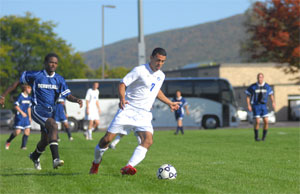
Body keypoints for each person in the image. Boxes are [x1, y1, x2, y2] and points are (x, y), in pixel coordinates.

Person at [89, 47, 180, 175]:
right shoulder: (139, 70)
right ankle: (96, 163)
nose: (160, 64)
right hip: (128, 109)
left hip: (144, 114)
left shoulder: (161, 75)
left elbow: (156, 91)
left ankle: (128, 166)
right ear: (151, 58)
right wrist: (122, 98)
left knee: (148, 140)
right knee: (106, 140)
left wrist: (169, 102)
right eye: (158, 60)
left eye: (163, 61)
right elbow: (122, 83)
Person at [0, 53, 83, 170]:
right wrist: (3, 95)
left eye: (55, 63)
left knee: (45, 140)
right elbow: (17, 83)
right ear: (45, 63)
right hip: (37, 109)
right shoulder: (35, 75)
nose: (53, 64)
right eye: (51, 62)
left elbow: (67, 95)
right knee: (53, 126)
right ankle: (56, 159)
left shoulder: (59, 79)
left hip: (50, 112)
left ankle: (34, 156)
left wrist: (76, 100)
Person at [245, 73, 276, 141]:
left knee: (266, 121)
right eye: (259, 77)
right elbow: (247, 95)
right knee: (257, 121)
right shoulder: (253, 86)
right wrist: (249, 105)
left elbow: (271, 94)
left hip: (263, 105)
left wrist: (273, 102)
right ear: (257, 78)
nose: (260, 79)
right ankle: (256, 137)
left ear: (263, 78)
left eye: (261, 77)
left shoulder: (267, 86)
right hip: (256, 105)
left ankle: (263, 137)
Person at [5, 84, 32, 150]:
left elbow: (29, 107)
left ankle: (23, 146)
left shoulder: (29, 97)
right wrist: (22, 113)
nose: (30, 90)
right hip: (19, 116)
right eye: (29, 88)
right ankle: (8, 141)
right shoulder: (20, 96)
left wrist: (30, 117)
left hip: (26, 117)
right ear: (25, 89)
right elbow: (15, 106)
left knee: (27, 130)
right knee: (17, 132)